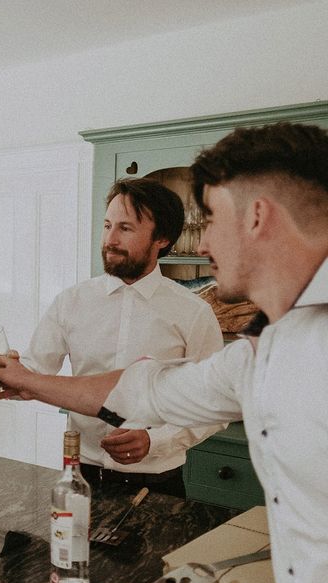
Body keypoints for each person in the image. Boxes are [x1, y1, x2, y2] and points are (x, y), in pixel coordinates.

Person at [0, 122, 328, 583]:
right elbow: (152, 388)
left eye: (211, 219)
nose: (206, 242)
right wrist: (24, 378)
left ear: (258, 217)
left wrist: (154, 438)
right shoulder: (266, 350)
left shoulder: (206, 315)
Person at [22, 177, 224, 496]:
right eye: (107, 225)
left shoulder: (193, 312)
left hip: (157, 485)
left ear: (162, 238)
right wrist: (1, 370)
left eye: (125, 228)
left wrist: (155, 441)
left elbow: (213, 404)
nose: (110, 239)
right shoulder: (71, 302)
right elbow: (33, 371)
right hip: (80, 479)